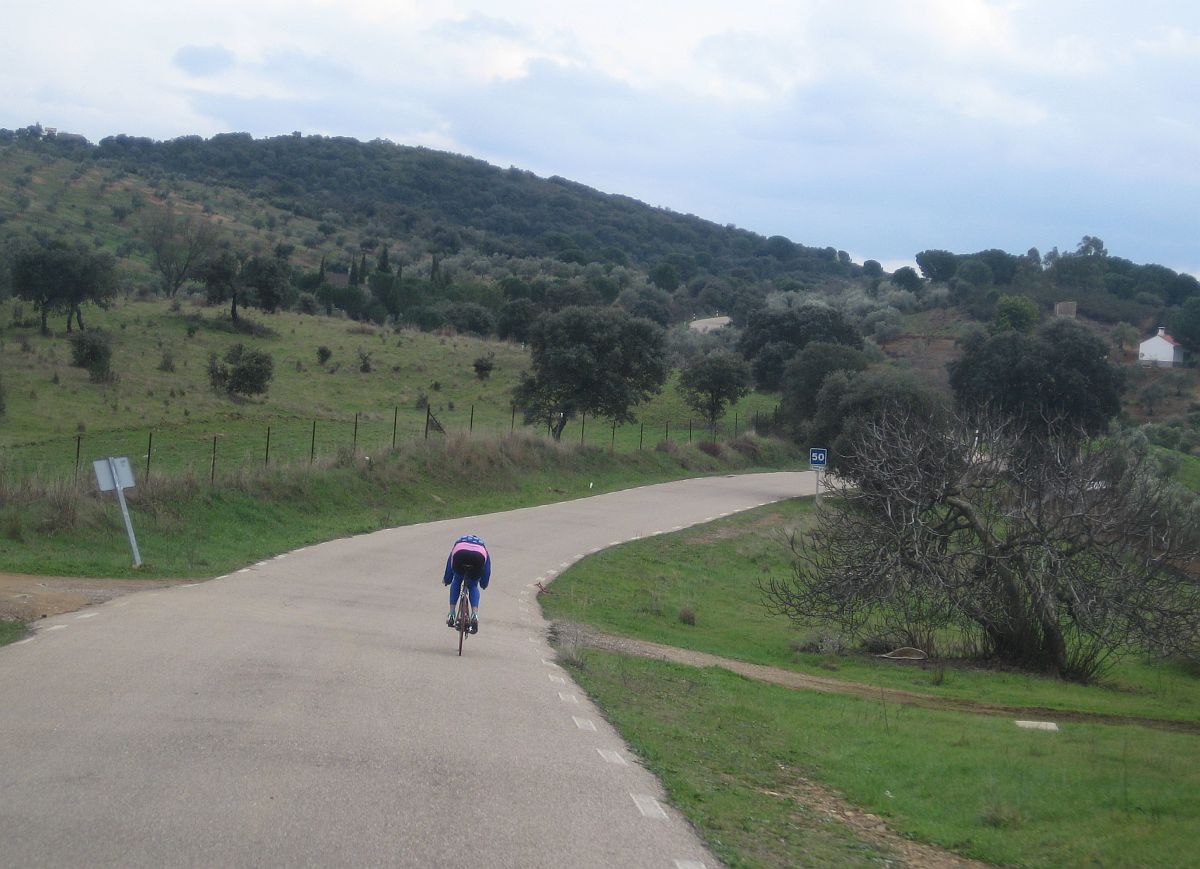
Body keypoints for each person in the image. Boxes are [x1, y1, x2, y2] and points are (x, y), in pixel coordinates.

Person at [443, 534, 491, 634]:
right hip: (478, 556)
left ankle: (451, 613)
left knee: (457, 580)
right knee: (473, 586)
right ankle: (474, 615)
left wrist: (447, 580)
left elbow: (449, 564)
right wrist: (483, 584)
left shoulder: (458, 542)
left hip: (460, 553)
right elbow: (487, 570)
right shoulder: (483, 547)